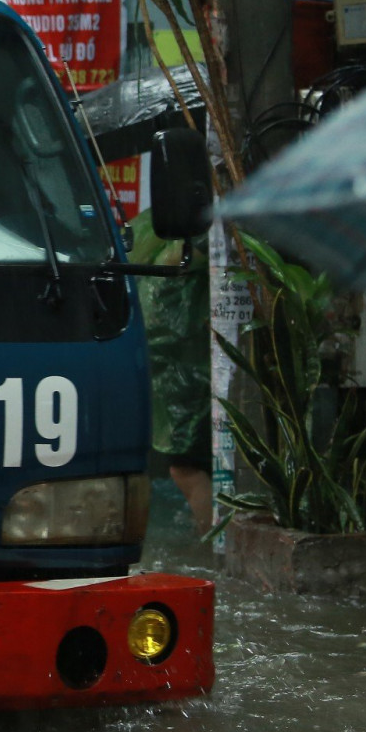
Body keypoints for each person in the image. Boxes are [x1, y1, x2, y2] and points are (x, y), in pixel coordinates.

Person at [128, 206, 213, 528]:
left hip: (189, 370)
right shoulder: (163, 234)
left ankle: (215, 547)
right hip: (179, 368)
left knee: (187, 467)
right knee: (186, 466)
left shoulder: (173, 244)